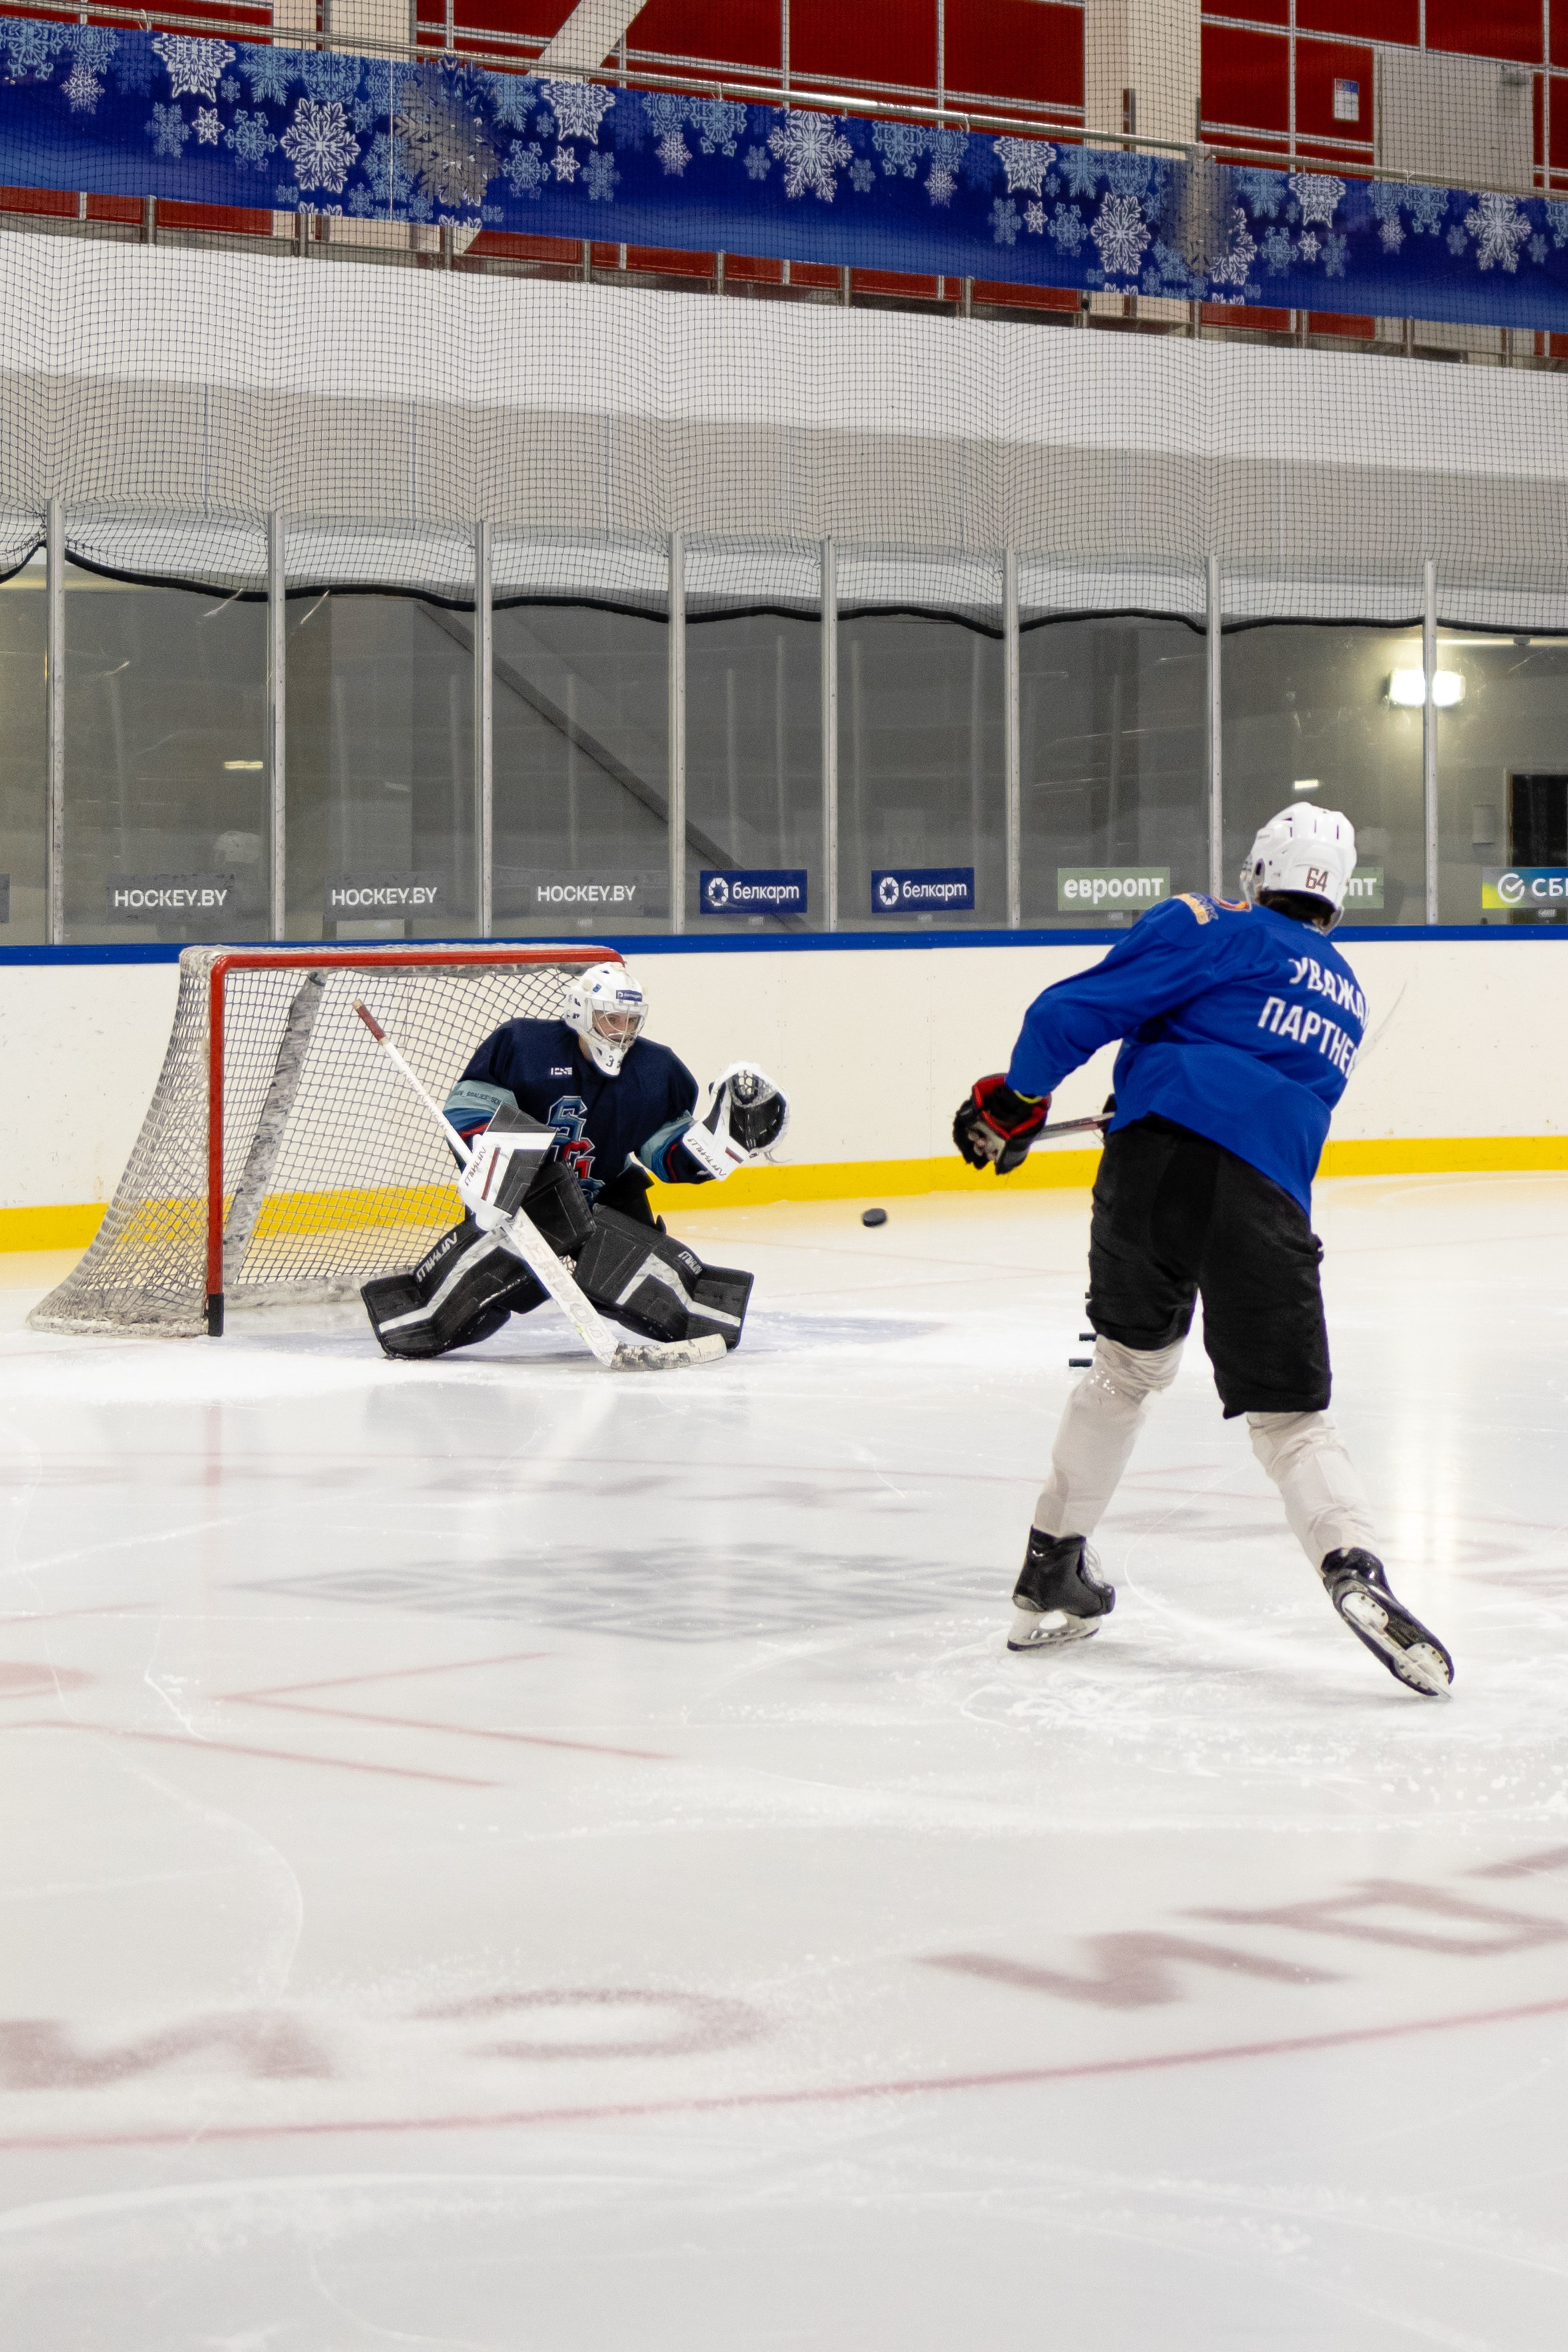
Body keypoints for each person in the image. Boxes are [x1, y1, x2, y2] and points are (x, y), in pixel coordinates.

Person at [953, 805, 1453, 1699]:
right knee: (1292, 1420)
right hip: (1265, 1199)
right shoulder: (1346, 992)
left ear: (1260, 871)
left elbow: (1072, 1009)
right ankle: (1352, 1566)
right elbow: (1256, 1080)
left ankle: (1049, 1572)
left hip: (1153, 1172)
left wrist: (1014, 1099)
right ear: (1335, 897)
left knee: (1124, 1371)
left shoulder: (1211, 923)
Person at [362, 962, 787, 1361]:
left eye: (630, 1021)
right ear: (582, 1014)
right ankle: (414, 1312)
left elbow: (665, 1155)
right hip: (527, 1198)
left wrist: (718, 1146)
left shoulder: (656, 1070)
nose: (622, 1032)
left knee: (653, 1302)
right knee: (488, 1306)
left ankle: (706, 1309)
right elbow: (467, 1114)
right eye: (611, 1018)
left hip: (607, 1195)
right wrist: (495, 1168)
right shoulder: (523, 1046)